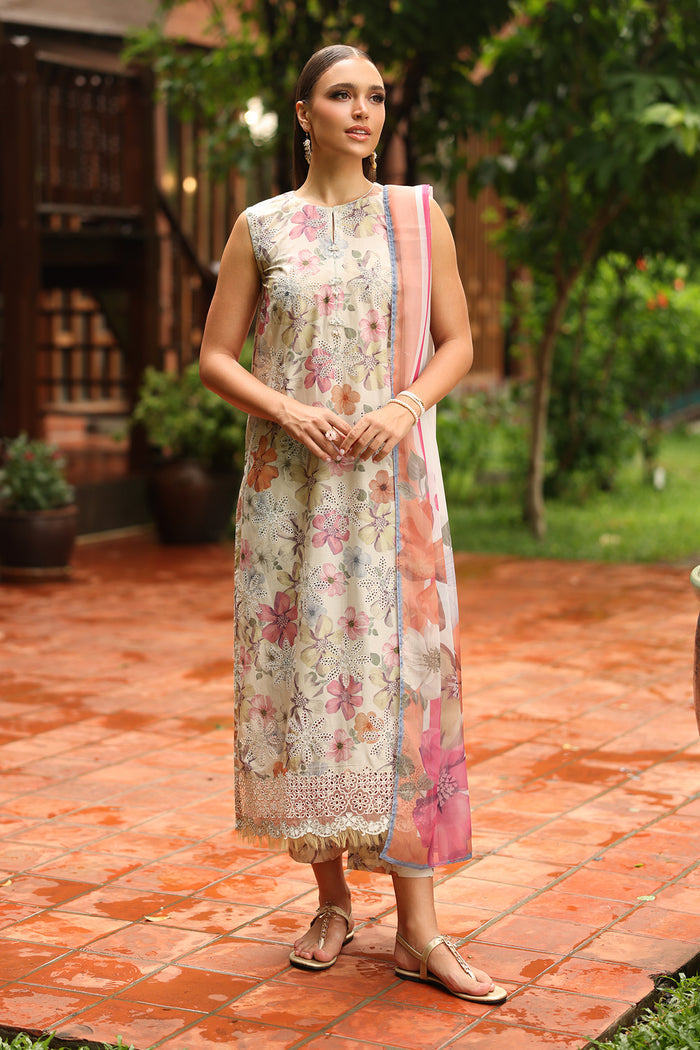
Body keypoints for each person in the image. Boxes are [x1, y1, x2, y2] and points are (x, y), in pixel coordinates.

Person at [199, 43, 506, 1005]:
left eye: (374, 96)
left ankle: (420, 930)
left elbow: (458, 343)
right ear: (305, 114)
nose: (362, 111)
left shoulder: (416, 217)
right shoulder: (262, 227)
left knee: (407, 682)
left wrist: (405, 407)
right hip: (290, 495)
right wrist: (286, 409)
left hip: (391, 488)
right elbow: (216, 357)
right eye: (342, 95)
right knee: (307, 683)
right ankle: (332, 901)